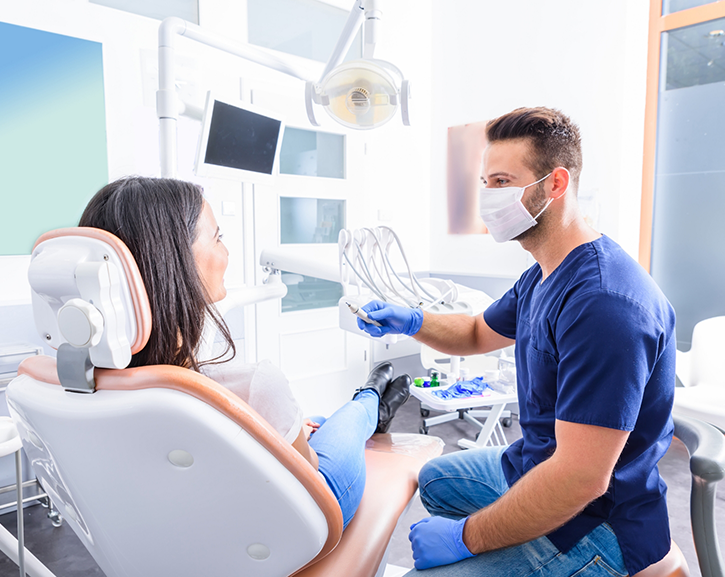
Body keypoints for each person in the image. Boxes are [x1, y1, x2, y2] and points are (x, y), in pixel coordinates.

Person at [357, 107, 676, 575]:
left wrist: (467, 537)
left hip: (596, 522)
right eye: (486, 183)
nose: (488, 198)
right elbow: (474, 332)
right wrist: (411, 321)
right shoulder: (542, 275)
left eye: (503, 182)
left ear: (555, 184)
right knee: (434, 481)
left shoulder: (605, 305)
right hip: (537, 464)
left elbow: (580, 479)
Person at [78, 176, 411, 529]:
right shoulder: (254, 385)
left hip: (174, 533)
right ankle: (372, 399)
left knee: (315, 422)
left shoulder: (80, 384)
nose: (226, 251)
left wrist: (286, 425)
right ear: (174, 262)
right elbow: (309, 482)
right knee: (348, 421)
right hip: (296, 529)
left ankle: (354, 409)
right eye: (218, 237)